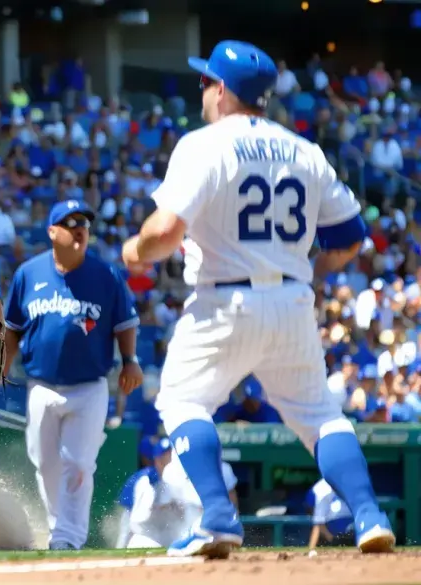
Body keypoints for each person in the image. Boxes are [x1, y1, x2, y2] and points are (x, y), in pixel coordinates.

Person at [120, 39, 396, 558]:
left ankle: (218, 518)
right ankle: (368, 514)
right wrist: (311, 269)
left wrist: (135, 248)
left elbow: (162, 234)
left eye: (206, 82)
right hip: (291, 303)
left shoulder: (205, 144)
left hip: (223, 302)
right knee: (322, 418)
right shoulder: (303, 150)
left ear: (222, 91)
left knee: (181, 401)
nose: (202, 89)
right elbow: (351, 236)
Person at [2, 199, 142, 550]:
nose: (80, 227)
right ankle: (57, 527)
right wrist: (0, 368)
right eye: (70, 222)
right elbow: (13, 330)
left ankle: (68, 537)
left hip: (89, 387)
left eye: (84, 222)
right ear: (52, 232)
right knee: (46, 464)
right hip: (41, 385)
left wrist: (130, 359)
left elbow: (125, 322)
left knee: (78, 464)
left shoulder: (106, 275)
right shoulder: (28, 274)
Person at [114, 438, 170, 549]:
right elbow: (136, 517)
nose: (168, 460)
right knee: (124, 542)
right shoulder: (146, 478)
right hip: (133, 513)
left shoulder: (176, 478)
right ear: (157, 460)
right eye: (165, 457)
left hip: (155, 525)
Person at [306, 478, 355, 550]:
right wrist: (332, 538)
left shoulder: (351, 483)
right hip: (332, 532)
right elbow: (318, 523)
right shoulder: (321, 489)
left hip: (352, 530)